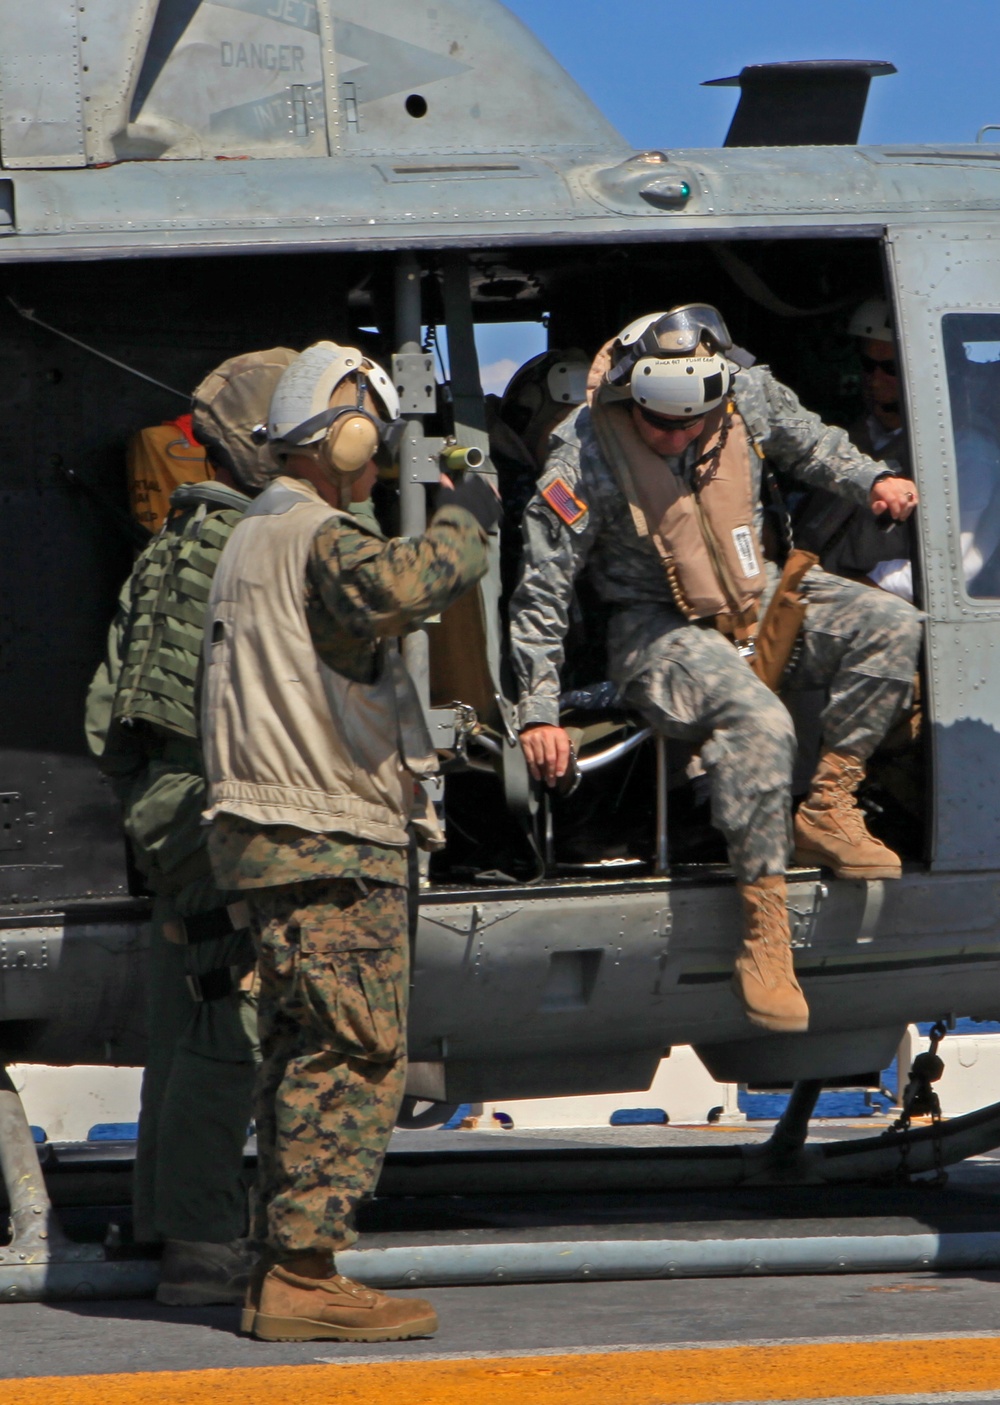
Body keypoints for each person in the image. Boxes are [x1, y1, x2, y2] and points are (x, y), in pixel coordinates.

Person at [508, 306, 923, 1035]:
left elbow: (813, 444)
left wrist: (874, 481)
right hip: (656, 628)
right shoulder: (583, 452)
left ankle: (828, 804)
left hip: (753, 591)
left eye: (692, 424)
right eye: (660, 423)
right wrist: (538, 709)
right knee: (756, 720)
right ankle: (765, 935)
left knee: (892, 627)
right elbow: (542, 585)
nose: (676, 436)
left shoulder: (747, 396)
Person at [199, 342, 496, 1343]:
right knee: (352, 1050)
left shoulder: (253, 531)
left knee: (298, 1050)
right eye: (371, 451)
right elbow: (395, 587)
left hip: (269, 835)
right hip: (326, 834)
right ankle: (303, 1274)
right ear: (343, 437)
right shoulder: (315, 533)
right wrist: (467, 519)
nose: (375, 473)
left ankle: (277, 1264)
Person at [85, 347, 298, 1305]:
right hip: (212, 806)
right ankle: (206, 1243)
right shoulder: (244, 549)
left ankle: (171, 1219)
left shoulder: (171, 543)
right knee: (231, 1022)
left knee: (186, 1016)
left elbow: (107, 713)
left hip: (164, 808)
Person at [795, 297, 914, 600]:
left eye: (888, 368)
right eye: (867, 365)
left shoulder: (958, 453)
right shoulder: (847, 439)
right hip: (811, 587)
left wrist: (866, 589)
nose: (874, 380)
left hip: (872, 604)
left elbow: (959, 564)